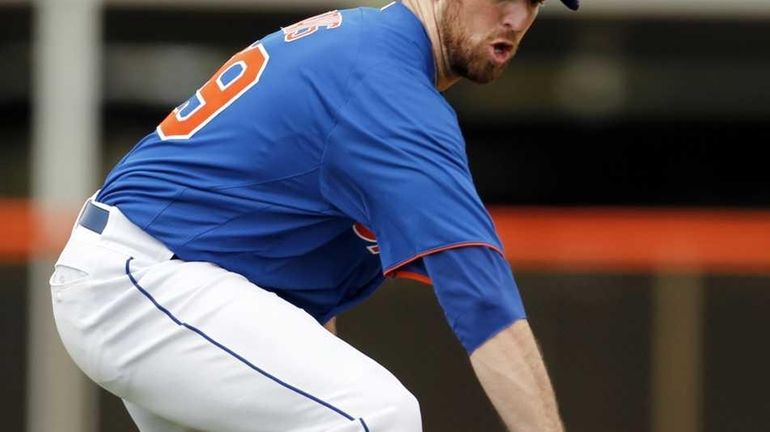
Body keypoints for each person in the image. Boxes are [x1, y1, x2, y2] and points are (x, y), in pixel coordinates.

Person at [50, 0, 578, 430]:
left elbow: (296, 294)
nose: (516, 16)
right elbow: (484, 301)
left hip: (158, 280)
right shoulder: (388, 88)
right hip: (140, 280)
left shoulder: (362, 45)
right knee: (379, 415)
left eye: (533, 1)